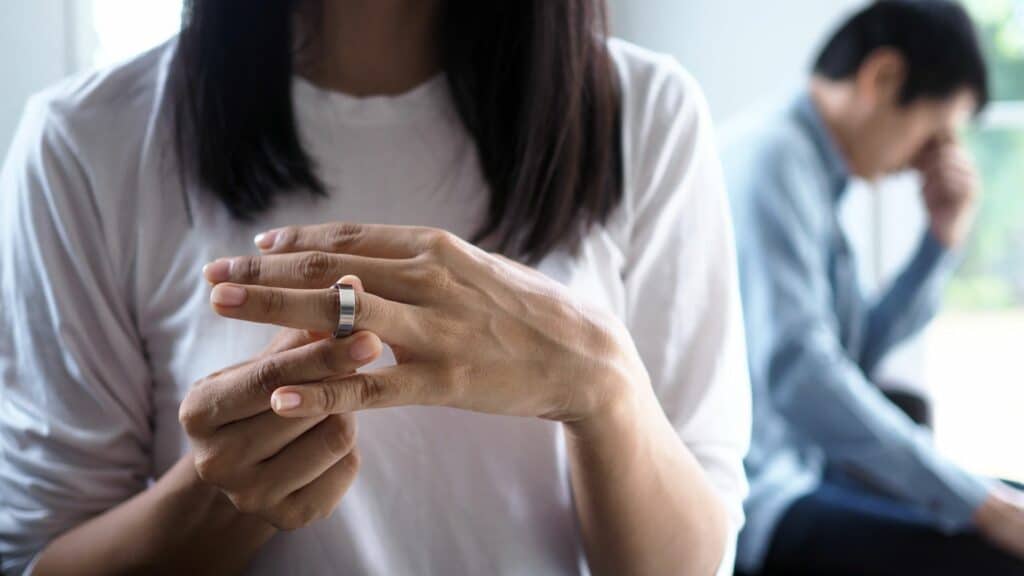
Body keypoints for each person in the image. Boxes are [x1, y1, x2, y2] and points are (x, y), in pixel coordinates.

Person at [0, 1, 752, 574]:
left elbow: (697, 557)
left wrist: (603, 388)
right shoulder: (85, 141)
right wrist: (216, 495)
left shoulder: (646, 115)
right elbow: (39, 553)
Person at [722, 1, 1024, 575]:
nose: (928, 159)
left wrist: (939, 241)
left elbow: (853, 355)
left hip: (810, 471)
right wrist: (979, 506)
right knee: (1000, 549)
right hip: (764, 496)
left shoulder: (814, 176)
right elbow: (803, 377)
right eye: (935, 131)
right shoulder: (775, 160)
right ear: (881, 77)